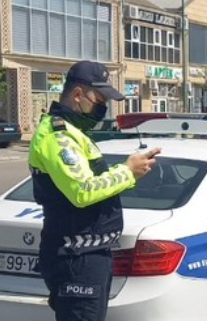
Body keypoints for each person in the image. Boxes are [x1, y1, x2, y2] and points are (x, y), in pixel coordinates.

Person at [28, 60, 161, 321]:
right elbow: (82, 191)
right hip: (75, 257)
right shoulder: (57, 136)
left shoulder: (74, 133)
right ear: (78, 95)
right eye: (98, 99)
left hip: (87, 254)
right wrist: (127, 171)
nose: (102, 108)